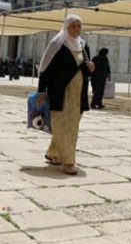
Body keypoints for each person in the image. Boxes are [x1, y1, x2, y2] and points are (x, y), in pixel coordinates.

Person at [37, 14, 94, 176]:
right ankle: (69, 161)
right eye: (74, 25)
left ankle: (53, 153)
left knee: (72, 126)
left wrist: (90, 67)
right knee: (62, 126)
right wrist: (42, 91)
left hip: (78, 95)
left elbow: (83, 68)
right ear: (66, 27)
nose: (77, 29)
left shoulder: (83, 46)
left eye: (79, 26)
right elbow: (45, 69)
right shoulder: (57, 44)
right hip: (60, 93)